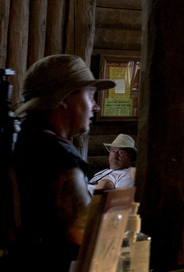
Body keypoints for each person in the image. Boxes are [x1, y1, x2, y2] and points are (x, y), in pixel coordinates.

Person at [8, 54, 114, 270]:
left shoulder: (19, 139)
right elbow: (83, 237)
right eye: (90, 96)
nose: (95, 107)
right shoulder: (58, 156)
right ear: (64, 99)